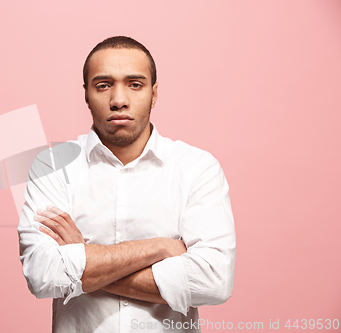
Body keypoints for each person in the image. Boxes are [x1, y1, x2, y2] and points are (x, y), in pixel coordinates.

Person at [17, 36, 236, 332]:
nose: (119, 100)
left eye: (135, 84)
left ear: (154, 94)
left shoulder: (197, 168)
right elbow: (43, 275)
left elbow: (214, 281)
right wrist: (158, 248)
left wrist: (83, 260)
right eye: (103, 85)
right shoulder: (53, 167)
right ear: (86, 94)